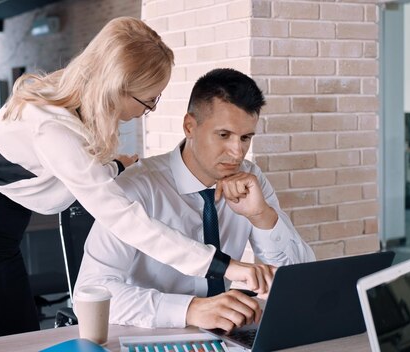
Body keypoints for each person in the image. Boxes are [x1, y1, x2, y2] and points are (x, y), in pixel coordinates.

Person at [0, 17, 269, 343]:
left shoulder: (74, 107)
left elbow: (68, 171)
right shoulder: (52, 126)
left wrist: (116, 166)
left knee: (24, 343)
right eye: (148, 99)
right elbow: (126, 220)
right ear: (116, 86)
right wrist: (223, 265)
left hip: (1, 242)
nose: (150, 109)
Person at [75, 68, 315, 331]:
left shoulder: (251, 180)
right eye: (224, 135)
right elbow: (90, 292)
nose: (237, 152)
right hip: (150, 335)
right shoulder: (136, 188)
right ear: (190, 126)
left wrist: (262, 216)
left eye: (245, 138)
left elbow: (299, 281)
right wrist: (189, 309)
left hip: (228, 336)